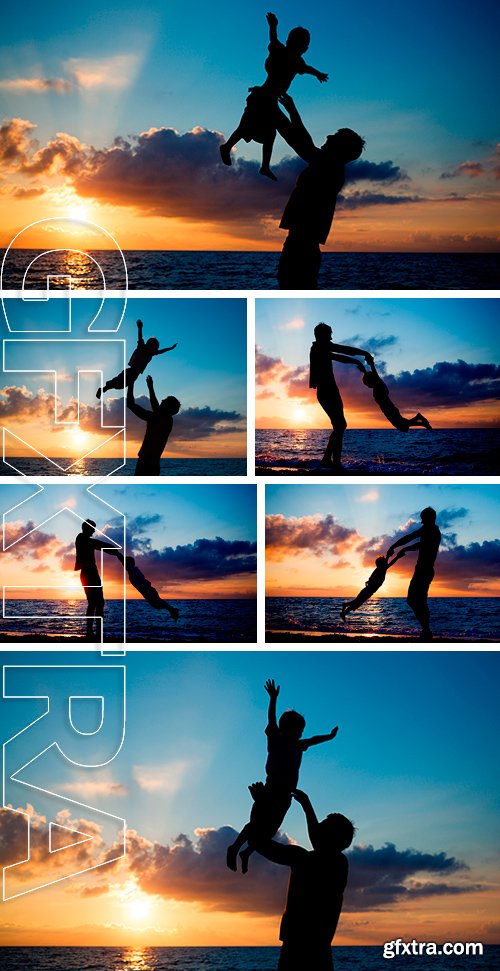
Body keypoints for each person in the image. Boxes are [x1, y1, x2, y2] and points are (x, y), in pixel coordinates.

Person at [226, 679, 338, 874]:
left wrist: (329, 736)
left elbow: (313, 740)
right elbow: (271, 719)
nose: (300, 733)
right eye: (296, 729)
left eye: (301, 730)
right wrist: (273, 699)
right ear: (286, 728)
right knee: (256, 824)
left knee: (269, 831)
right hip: (270, 789)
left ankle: (246, 853)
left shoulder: (299, 745)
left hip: (286, 794)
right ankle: (235, 847)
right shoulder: (276, 739)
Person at [254, 786, 354, 971]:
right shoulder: (340, 863)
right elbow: (318, 839)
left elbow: (259, 843)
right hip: (319, 950)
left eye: (322, 826)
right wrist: (306, 805)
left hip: (298, 949)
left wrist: (261, 806)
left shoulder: (305, 859)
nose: (317, 829)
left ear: (330, 836)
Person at [219, 12, 328, 180]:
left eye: (303, 46)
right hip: (262, 97)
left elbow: (307, 69)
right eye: (299, 44)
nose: (301, 49)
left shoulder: (297, 62)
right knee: (245, 126)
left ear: (304, 49)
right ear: (291, 43)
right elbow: (273, 39)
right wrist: (273, 26)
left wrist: (318, 74)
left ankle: (264, 166)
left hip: (270, 100)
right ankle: (227, 148)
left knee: (270, 133)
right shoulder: (281, 52)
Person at [276, 93, 364, 288]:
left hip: (302, 247)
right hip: (300, 243)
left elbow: (301, 144)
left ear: (339, 148)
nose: (328, 136)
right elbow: (303, 141)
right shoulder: (328, 166)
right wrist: (289, 112)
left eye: (334, 137)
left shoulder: (330, 167)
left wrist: (278, 113)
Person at [310, 322, 372, 470]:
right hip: (326, 390)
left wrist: (357, 360)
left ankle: (330, 460)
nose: (331, 336)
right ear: (322, 335)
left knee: (339, 425)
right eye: (329, 333)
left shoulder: (321, 347)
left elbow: (338, 356)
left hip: (330, 389)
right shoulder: (319, 347)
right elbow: (343, 351)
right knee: (340, 425)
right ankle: (333, 462)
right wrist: (363, 354)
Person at [386, 507, 441, 640]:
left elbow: (412, 539)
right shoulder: (429, 530)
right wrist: (402, 548)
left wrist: (394, 546)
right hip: (421, 570)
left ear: (429, 518)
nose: (422, 522)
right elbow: (419, 543)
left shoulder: (431, 530)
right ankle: (426, 630)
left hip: (424, 571)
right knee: (417, 601)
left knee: (415, 600)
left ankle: (426, 631)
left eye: (423, 519)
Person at [97, 319, 177, 398]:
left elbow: (161, 351)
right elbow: (140, 337)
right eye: (150, 345)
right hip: (130, 371)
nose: (151, 348)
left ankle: (104, 389)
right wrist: (140, 328)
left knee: (120, 385)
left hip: (136, 374)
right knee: (118, 382)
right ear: (148, 344)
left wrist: (170, 348)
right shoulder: (142, 346)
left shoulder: (151, 354)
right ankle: (104, 389)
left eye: (153, 347)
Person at [74, 519, 120, 640]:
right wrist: (117, 553)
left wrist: (115, 552)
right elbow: (100, 545)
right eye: (92, 528)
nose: (94, 531)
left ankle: (96, 632)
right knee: (96, 602)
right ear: (87, 528)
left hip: (91, 573)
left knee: (98, 603)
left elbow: (100, 545)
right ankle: (92, 633)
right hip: (88, 574)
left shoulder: (84, 539)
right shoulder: (82, 539)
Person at [127, 374, 180, 476]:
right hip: (153, 464)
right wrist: (133, 384)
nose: (162, 400)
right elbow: (131, 405)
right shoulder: (166, 420)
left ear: (168, 407)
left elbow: (131, 404)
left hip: (146, 463)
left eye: (164, 401)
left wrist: (134, 384)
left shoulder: (160, 419)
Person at [359, 358, 432, 432]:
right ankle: (420, 420)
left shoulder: (379, 386)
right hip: (389, 410)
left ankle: (421, 421)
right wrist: (364, 371)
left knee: (402, 426)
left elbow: (374, 375)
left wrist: (371, 364)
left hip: (389, 410)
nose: (368, 387)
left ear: (372, 382)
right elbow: (373, 376)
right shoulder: (379, 384)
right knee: (403, 426)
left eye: (368, 385)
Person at [340, 551, 406, 622]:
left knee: (356, 602)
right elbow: (390, 564)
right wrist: (397, 557)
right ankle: (344, 610)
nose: (386, 563)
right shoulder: (382, 569)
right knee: (357, 603)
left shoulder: (378, 569)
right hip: (368, 591)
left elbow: (386, 563)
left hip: (367, 590)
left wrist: (388, 556)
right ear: (382, 564)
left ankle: (344, 609)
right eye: (384, 563)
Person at [116, 552, 179, 621]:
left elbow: (124, 561)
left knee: (157, 604)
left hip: (148, 591)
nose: (124, 565)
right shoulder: (133, 570)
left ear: (129, 564)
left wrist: (117, 554)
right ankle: (172, 610)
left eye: (125, 564)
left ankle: (173, 611)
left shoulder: (132, 570)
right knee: (157, 604)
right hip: (148, 591)